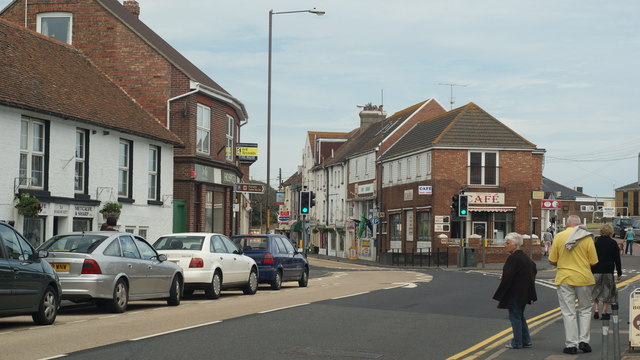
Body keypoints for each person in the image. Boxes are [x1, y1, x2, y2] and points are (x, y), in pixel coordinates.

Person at [548, 215, 599, 355]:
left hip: (564, 277)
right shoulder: (587, 238)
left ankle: (571, 344)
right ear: (579, 224)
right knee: (585, 310)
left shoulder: (559, 237)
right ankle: (584, 341)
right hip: (584, 277)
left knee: (568, 312)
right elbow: (594, 261)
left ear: (567, 224)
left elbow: (552, 260)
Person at [493, 232, 537, 349]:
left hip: (515, 293)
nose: (505, 245)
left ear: (515, 245)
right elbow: (534, 269)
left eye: (507, 243)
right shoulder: (526, 257)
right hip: (525, 292)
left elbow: (507, 277)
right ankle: (526, 340)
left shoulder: (513, 258)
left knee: (515, 317)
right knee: (520, 315)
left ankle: (517, 342)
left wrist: (501, 291)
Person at [592, 224, 622, 319]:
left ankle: (596, 309)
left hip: (596, 269)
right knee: (607, 291)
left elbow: (591, 256)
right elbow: (617, 259)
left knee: (595, 290)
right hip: (608, 270)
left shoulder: (596, 242)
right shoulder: (613, 243)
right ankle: (604, 312)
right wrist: (619, 272)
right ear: (611, 232)